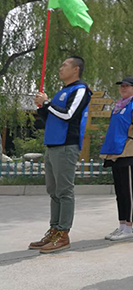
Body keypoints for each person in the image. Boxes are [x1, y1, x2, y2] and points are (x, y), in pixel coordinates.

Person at [29, 56, 92, 254]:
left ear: (76, 69)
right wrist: (42, 107)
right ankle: (54, 229)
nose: (60, 67)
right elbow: (51, 118)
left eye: (65, 65)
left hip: (66, 146)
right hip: (52, 145)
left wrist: (47, 103)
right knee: (53, 191)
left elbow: (69, 115)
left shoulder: (80, 90)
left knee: (64, 191)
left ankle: (63, 233)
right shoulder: (61, 92)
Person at [100, 76, 133, 242]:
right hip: (115, 152)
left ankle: (129, 226)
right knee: (120, 191)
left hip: (129, 150)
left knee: (128, 191)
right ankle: (121, 225)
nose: (123, 88)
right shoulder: (118, 106)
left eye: (127, 86)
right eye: (122, 86)